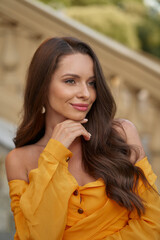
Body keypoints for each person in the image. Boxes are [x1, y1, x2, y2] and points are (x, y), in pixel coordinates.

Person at [5, 37, 160, 240]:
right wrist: (55, 153)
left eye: (92, 83)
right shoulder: (19, 160)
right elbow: (40, 236)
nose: (86, 93)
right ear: (42, 87)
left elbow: (153, 224)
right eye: (71, 81)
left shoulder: (122, 134)